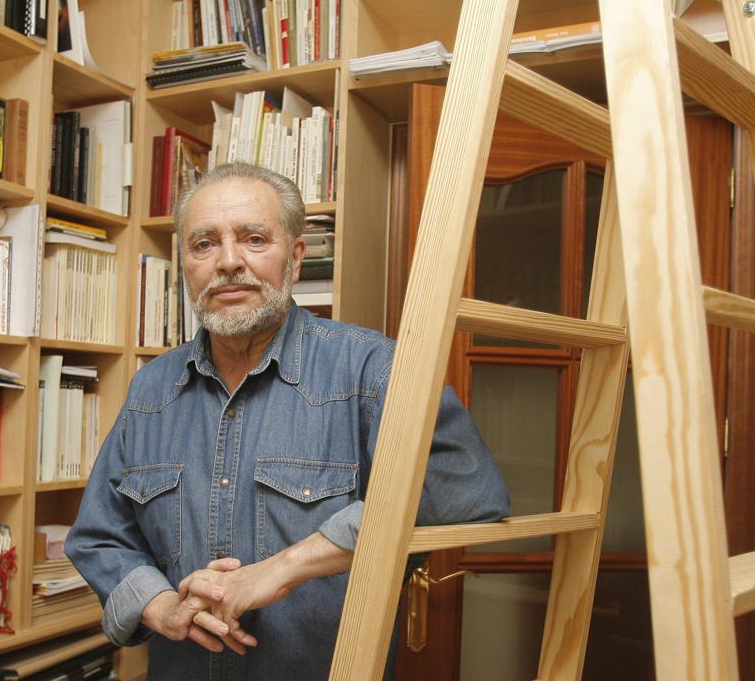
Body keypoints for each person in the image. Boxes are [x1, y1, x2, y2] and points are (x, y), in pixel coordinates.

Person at [66, 162, 509, 679]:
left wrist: (280, 570)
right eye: (204, 245)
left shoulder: (372, 369)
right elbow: (99, 536)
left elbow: (467, 491)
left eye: (254, 239)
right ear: (183, 264)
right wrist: (160, 607)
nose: (229, 262)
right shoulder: (150, 390)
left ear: (295, 258)